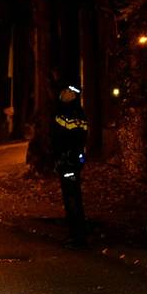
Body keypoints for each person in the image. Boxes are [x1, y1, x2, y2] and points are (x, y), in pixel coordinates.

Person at [52, 84, 89, 248]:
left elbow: (69, 137)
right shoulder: (71, 112)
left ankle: (78, 237)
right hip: (68, 161)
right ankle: (76, 234)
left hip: (69, 162)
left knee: (72, 197)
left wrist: (64, 157)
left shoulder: (69, 114)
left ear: (73, 96)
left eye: (67, 92)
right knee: (71, 197)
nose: (63, 94)